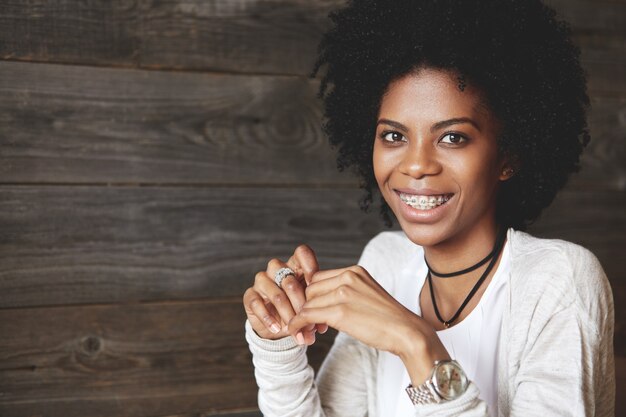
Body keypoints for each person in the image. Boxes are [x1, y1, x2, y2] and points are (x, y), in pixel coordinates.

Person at [242, 0, 615, 415]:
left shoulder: (559, 281)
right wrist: (278, 343)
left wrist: (417, 344)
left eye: (452, 137)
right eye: (394, 136)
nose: (416, 164)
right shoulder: (384, 261)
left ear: (509, 156)